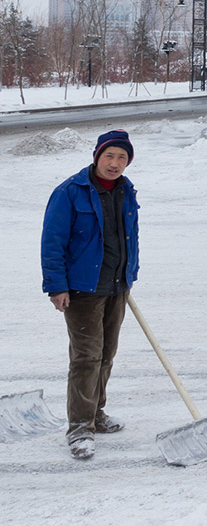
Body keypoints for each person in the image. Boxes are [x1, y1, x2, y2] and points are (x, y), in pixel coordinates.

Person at [41, 129, 139, 460]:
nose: (115, 163)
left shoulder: (126, 191)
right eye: (109, 156)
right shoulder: (70, 192)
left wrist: (128, 275)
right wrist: (57, 285)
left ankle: (96, 414)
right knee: (86, 358)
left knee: (107, 354)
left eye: (122, 157)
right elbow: (52, 241)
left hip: (116, 286)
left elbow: (128, 237)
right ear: (97, 156)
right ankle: (80, 428)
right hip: (82, 290)